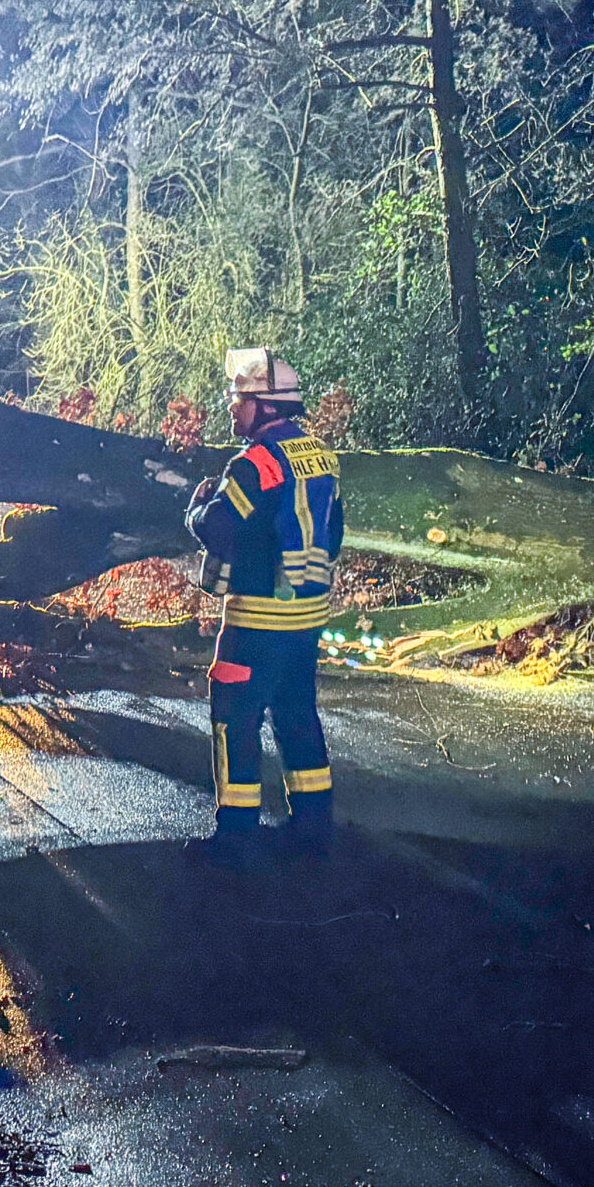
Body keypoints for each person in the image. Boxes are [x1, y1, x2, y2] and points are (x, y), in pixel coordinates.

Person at [185, 348, 344, 863]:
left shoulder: (257, 462)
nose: (233, 407)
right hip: (307, 618)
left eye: (239, 398)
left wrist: (195, 510)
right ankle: (314, 826)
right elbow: (334, 533)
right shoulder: (320, 456)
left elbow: (219, 527)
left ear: (265, 405)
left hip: (257, 617)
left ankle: (236, 837)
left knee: (235, 717)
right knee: (297, 713)